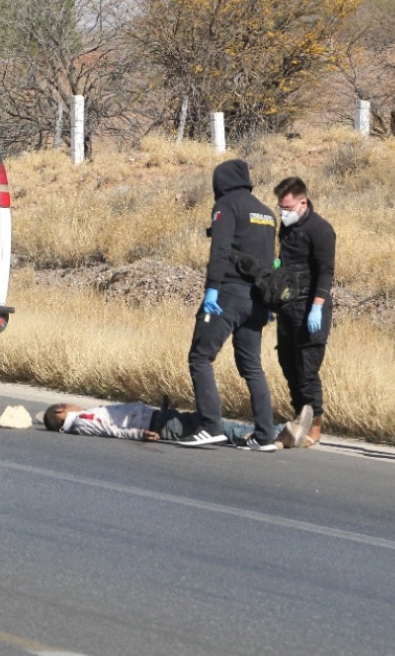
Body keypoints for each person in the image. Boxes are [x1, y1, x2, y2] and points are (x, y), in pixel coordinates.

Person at [184, 159, 280, 450]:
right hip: (259, 300)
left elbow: (221, 250)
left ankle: (211, 426)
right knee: (252, 366)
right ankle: (265, 435)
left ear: (220, 182)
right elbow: (270, 259)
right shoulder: (266, 212)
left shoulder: (226, 205)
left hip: (228, 295)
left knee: (200, 358)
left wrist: (211, 289)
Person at [273, 177, 336, 448]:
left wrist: (317, 308)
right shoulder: (286, 229)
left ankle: (315, 425)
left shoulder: (321, 230)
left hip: (312, 306)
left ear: (303, 202)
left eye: (287, 208)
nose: (283, 213)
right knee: (288, 365)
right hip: (288, 305)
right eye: (280, 208)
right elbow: (284, 264)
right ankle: (298, 417)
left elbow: (326, 271)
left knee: (307, 369)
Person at [42, 401, 313, 449]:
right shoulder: (82, 420)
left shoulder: (81, 420)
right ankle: (281, 434)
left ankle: (280, 435)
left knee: (212, 424)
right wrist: (139, 434)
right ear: (61, 411)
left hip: (155, 418)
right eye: (68, 405)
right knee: (216, 427)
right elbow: (111, 429)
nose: (75, 406)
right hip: (155, 424)